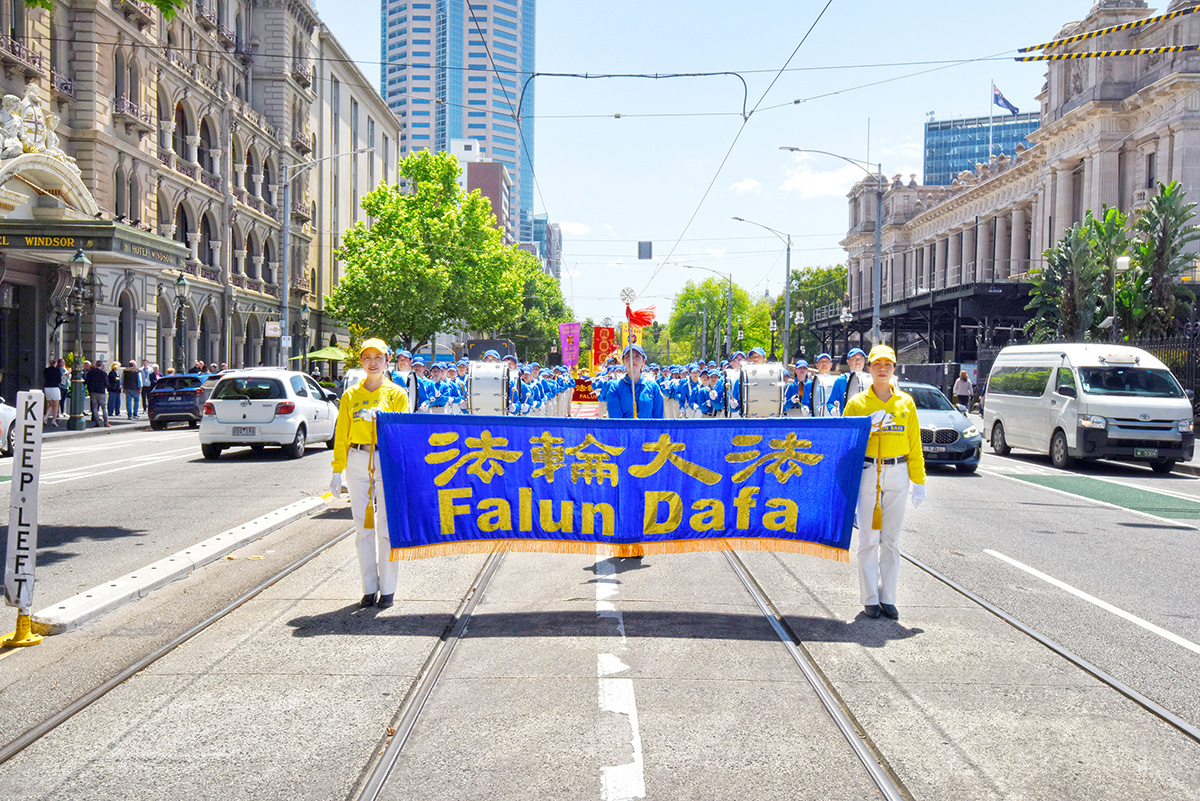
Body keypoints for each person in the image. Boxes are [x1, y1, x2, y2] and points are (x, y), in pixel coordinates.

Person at [842, 345, 926, 621]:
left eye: (887, 364)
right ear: (868, 368)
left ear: (894, 369)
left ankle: (888, 597)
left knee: (891, 540)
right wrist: (867, 427)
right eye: (877, 364)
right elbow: (847, 443)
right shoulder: (857, 404)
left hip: (898, 472)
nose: (882, 369)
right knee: (868, 538)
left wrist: (919, 480)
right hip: (869, 471)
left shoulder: (906, 403)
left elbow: (914, 445)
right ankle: (870, 598)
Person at [328, 338, 409, 610]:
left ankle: (388, 589)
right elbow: (341, 434)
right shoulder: (350, 396)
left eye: (378, 357)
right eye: (367, 357)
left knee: (386, 528)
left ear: (387, 361)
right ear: (361, 362)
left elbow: (402, 434)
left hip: (385, 459)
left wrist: (382, 421)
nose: (372, 362)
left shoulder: (397, 394)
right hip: (357, 459)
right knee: (363, 529)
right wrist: (337, 470)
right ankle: (369, 588)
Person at [606, 343, 664, 419]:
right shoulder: (615, 387)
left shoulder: (653, 387)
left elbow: (659, 419)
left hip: (648, 430)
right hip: (625, 430)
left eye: (637, 356)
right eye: (628, 356)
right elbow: (615, 421)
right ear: (623, 361)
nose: (633, 360)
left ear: (643, 361)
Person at [828, 348, 870, 416]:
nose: (858, 361)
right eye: (854, 359)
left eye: (861, 359)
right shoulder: (841, 381)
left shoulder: (870, 379)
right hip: (846, 419)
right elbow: (831, 402)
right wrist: (833, 409)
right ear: (848, 362)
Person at [85, 358, 110, 427]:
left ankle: (97, 422)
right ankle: (106, 422)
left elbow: (87, 381)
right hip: (101, 391)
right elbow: (106, 383)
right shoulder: (103, 373)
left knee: (94, 407)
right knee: (104, 407)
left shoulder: (90, 372)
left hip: (93, 391)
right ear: (102, 366)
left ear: (96, 365)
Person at [43, 358, 64, 428]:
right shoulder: (57, 370)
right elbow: (59, 380)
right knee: (56, 406)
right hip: (55, 388)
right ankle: (53, 420)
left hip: (47, 388)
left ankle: (45, 417)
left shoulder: (46, 370)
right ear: (55, 363)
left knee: (50, 404)